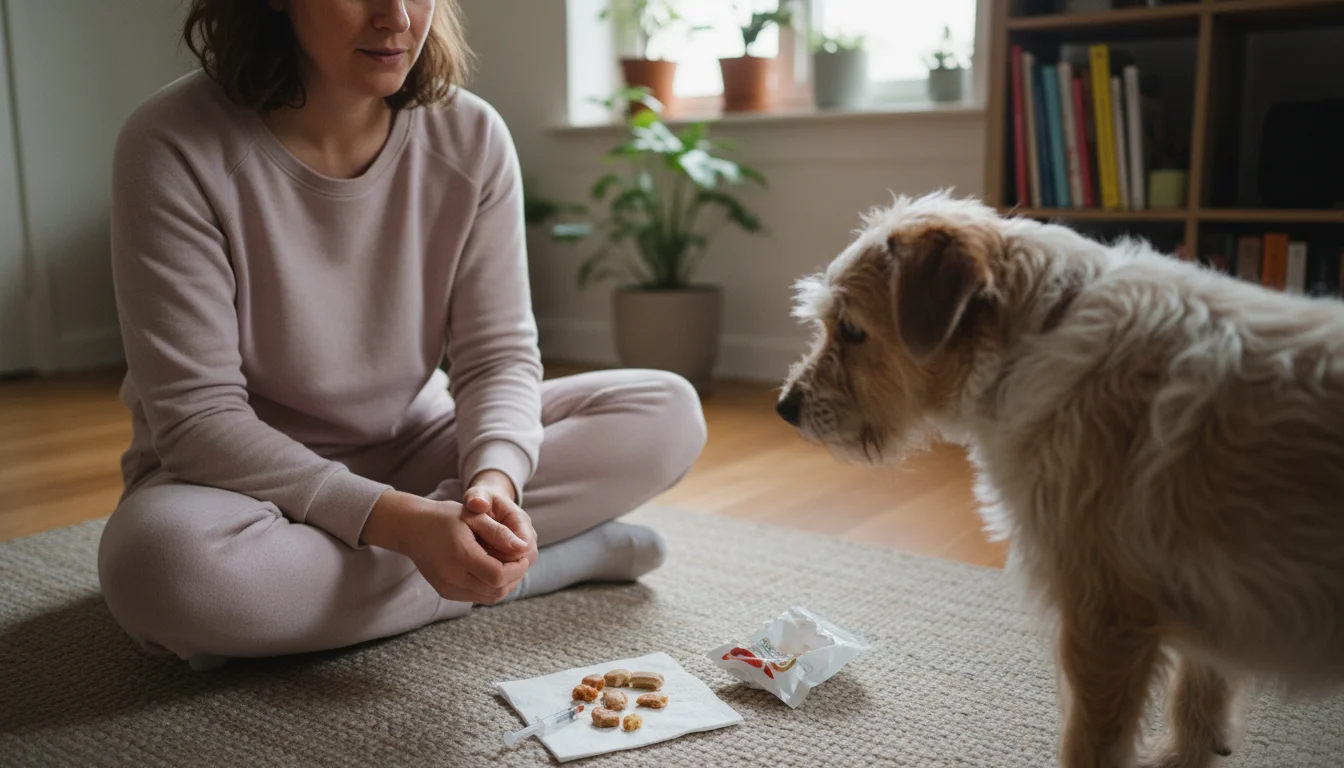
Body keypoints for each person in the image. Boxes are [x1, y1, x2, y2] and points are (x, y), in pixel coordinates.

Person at [97, 0, 706, 671]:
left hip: (416, 446)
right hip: (240, 484)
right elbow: (198, 421)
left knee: (666, 410)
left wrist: (492, 489)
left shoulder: (471, 135)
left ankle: (337, 595)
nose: (396, 16)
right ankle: (534, 569)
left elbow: (498, 355)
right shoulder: (171, 143)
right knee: (158, 568)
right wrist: (404, 526)